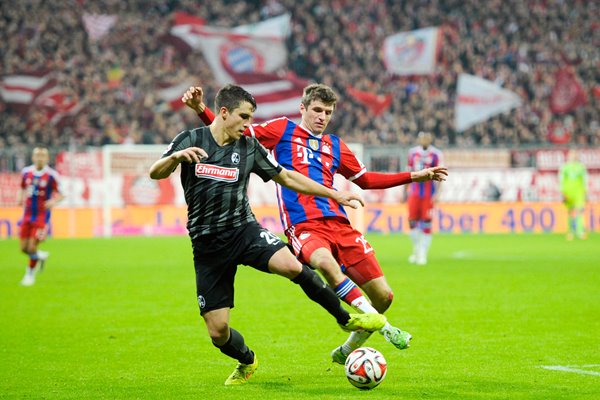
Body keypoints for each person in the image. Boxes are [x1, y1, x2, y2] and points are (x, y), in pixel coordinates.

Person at [183, 84, 448, 364]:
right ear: (303, 109)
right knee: (324, 263)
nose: (322, 117)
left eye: (328, 112)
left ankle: (347, 349)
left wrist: (415, 176)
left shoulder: (335, 145)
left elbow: (366, 180)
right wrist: (201, 109)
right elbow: (232, 128)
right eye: (317, 110)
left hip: (340, 224)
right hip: (303, 225)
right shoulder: (282, 130)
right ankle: (386, 328)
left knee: (383, 297)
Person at [149, 84, 386, 386]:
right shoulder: (190, 140)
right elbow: (155, 172)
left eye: (251, 118)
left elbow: (286, 176)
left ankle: (347, 319)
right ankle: (247, 360)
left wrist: (333, 194)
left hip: (244, 231)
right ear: (224, 113)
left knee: (293, 266)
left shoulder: (248, 147)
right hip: (207, 246)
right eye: (244, 117)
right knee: (218, 332)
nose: (249, 125)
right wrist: (176, 158)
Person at [17, 146, 64, 286]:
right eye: (37, 155)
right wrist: (20, 198)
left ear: (47, 158)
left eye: (43, 156)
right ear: (33, 157)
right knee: (23, 248)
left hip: (41, 217)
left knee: (31, 247)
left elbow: (62, 194)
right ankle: (40, 256)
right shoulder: (26, 172)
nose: (40, 158)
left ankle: (29, 275)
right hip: (27, 215)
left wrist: (53, 201)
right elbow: (21, 187)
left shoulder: (51, 175)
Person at [404, 131, 444, 266]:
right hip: (414, 193)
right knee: (412, 223)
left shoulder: (436, 154)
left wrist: (438, 193)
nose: (424, 140)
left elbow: (440, 175)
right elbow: (407, 172)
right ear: (419, 139)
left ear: (430, 139)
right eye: (422, 138)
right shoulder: (412, 153)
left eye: (427, 138)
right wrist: (405, 191)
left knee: (426, 224)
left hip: (428, 194)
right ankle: (416, 249)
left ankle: (423, 254)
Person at [559, 149, 588, 240]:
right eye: (571, 154)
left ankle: (580, 232)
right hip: (568, 193)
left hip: (579, 192)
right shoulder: (565, 167)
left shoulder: (581, 167)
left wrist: (585, 191)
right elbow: (561, 181)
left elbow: (585, 180)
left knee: (579, 211)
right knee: (571, 212)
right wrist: (562, 192)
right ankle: (570, 231)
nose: (573, 156)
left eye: (575, 155)